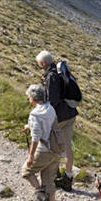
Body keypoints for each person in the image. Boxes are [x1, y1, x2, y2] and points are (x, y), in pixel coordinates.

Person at [35, 50, 77, 191]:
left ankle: (54, 174)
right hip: (71, 113)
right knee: (66, 146)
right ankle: (68, 177)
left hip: (60, 117)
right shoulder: (60, 71)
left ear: (42, 63)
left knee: (53, 144)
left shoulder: (51, 76)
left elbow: (53, 100)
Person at [21, 84, 60, 201]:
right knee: (49, 180)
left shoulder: (35, 114)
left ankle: (40, 194)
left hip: (43, 150)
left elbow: (36, 137)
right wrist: (29, 126)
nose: (28, 100)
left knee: (27, 171)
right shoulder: (50, 109)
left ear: (33, 98)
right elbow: (48, 126)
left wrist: (31, 156)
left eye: (29, 98)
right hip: (55, 150)